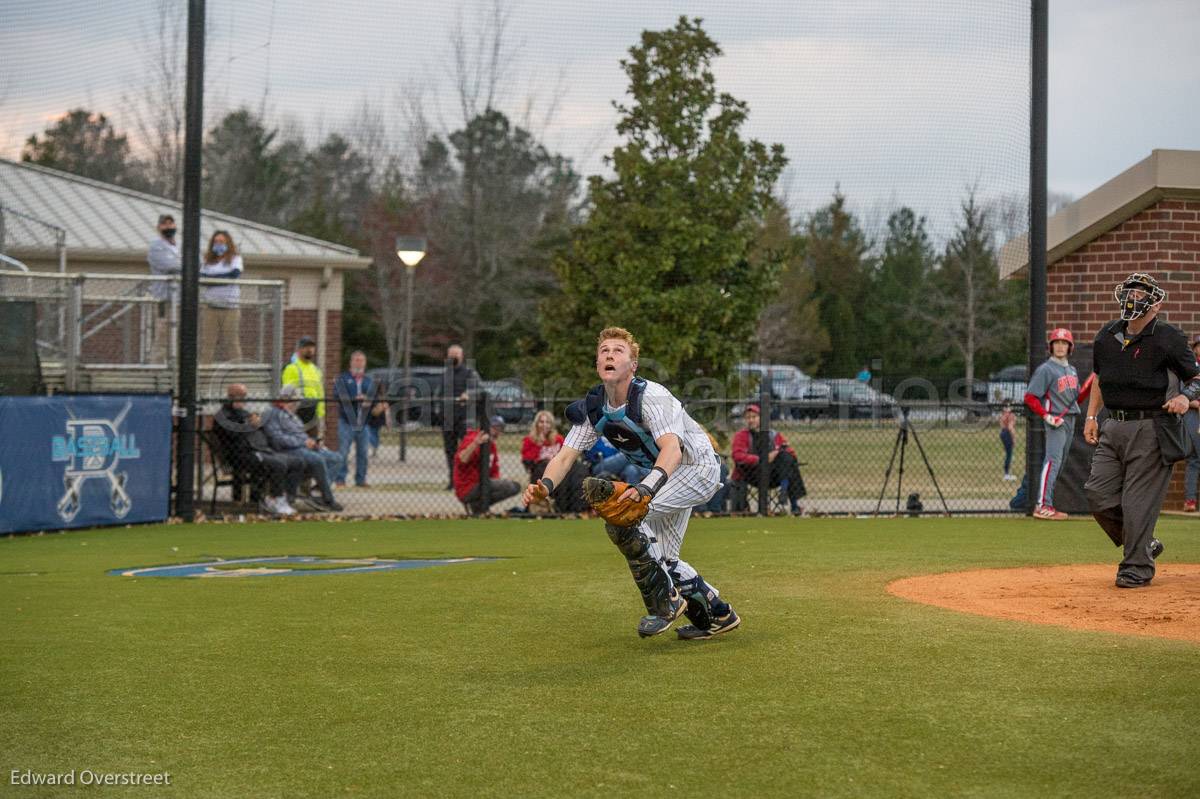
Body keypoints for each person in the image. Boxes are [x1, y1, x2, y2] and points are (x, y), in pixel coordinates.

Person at [522, 327, 740, 640]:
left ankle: (665, 604)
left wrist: (646, 489)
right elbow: (565, 456)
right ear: (597, 364)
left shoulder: (653, 397)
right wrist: (544, 485)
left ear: (633, 365)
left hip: (698, 468)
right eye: (604, 351)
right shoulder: (595, 408)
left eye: (618, 350)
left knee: (625, 521)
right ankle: (718, 614)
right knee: (664, 558)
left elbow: (672, 450)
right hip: (668, 477)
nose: (609, 354)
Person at [1083, 272, 1200, 588]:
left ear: (1157, 303)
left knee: (1137, 504)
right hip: (1113, 426)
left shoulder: (1168, 337)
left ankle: (1136, 568)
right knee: (1098, 494)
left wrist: (1184, 398)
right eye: (1131, 290)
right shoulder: (1106, 335)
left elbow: (1195, 379)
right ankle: (1144, 544)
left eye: (1142, 292)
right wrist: (1091, 417)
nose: (1134, 296)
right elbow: (1099, 378)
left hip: (1152, 429)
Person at [1023, 328, 1094, 519]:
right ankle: (1043, 505)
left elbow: (1076, 400)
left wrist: (1091, 383)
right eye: (1057, 343)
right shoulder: (1046, 369)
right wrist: (1046, 416)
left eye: (1064, 343)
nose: (1060, 346)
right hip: (1056, 420)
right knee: (1052, 461)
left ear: (1070, 347)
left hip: (1070, 418)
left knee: (1059, 464)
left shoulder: (1071, 370)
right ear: (1051, 347)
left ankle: (1048, 503)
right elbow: (1030, 397)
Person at [211, 384, 302, 515]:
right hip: (240, 455)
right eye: (241, 396)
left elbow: (256, 430)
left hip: (258, 450)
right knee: (278, 465)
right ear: (231, 397)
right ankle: (276, 500)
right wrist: (249, 424)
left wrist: (257, 422)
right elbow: (233, 436)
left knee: (296, 462)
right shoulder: (223, 415)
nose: (244, 399)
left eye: (244, 396)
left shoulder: (243, 413)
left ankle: (285, 498)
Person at [261, 384, 344, 512]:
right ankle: (328, 499)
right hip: (288, 450)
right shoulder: (272, 413)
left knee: (337, 458)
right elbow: (277, 439)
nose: (296, 404)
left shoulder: (292, 415)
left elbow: (301, 434)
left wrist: (312, 442)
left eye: (297, 401)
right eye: (294, 400)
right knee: (317, 460)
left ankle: (317, 492)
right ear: (285, 398)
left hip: (303, 447)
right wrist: (302, 442)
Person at [730, 403, 806, 514]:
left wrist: (778, 451)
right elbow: (737, 456)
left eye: (754, 417)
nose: (751, 420)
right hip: (752, 474)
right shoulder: (741, 435)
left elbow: (792, 453)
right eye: (748, 418)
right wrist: (762, 459)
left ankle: (784, 492)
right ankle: (794, 504)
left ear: (761, 418)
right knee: (789, 465)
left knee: (787, 458)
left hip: (774, 475)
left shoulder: (773, 434)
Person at [333, 351, 386, 487]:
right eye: (356, 360)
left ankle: (361, 480)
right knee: (343, 451)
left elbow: (375, 399)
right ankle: (340, 479)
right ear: (351, 362)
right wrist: (354, 399)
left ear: (365, 363)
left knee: (363, 452)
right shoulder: (343, 379)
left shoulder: (369, 381)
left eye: (361, 360)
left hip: (364, 423)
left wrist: (370, 401)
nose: (359, 363)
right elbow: (337, 395)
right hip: (346, 421)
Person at [520, 410, 589, 514]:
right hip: (540, 472)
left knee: (577, 468)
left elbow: (565, 457)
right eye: (541, 422)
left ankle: (577, 509)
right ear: (536, 424)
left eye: (547, 422)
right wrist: (540, 442)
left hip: (560, 472)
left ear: (551, 425)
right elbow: (528, 461)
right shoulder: (529, 440)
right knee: (546, 466)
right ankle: (561, 509)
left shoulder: (558, 439)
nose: (544, 425)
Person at [454, 415, 521, 515]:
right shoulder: (472, 438)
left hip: (483, 484)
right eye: (494, 428)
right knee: (509, 486)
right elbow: (462, 459)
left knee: (514, 487)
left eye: (500, 429)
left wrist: (498, 481)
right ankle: (477, 505)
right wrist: (475, 443)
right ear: (486, 427)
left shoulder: (492, 446)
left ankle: (478, 507)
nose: (497, 431)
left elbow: (494, 472)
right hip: (467, 487)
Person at [199, 229, 243, 363]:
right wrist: (219, 280)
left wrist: (212, 280)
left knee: (232, 343)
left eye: (222, 241)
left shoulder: (235, 258)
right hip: (211, 308)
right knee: (208, 344)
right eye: (216, 241)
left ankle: (237, 377)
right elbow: (201, 278)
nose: (218, 244)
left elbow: (233, 275)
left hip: (230, 308)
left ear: (228, 243)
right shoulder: (207, 260)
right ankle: (204, 377)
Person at [441, 344, 477, 490]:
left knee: (467, 450)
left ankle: (468, 479)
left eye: (456, 355)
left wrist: (469, 394)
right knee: (450, 451)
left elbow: (478, 388)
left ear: (462, 356)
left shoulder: (469, 373)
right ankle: (453, 480)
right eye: (451, 355)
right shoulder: (445, 374)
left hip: (464, 418)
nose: (454, 358)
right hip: (448, 419)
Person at [146, 213, 180, 362]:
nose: (168, 227)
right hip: (165, 299)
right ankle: (156, 371)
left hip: (181, 299)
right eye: (165, 224)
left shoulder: (180, 246)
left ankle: (177, 369)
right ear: (159, 227)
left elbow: (196, 262)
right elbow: (169, 266)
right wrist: (187, 265)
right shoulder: (156, 246)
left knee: (179, 338)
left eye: (171, 223)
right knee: (163, 336)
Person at [281, 335, 325, 433]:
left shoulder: (316, 370)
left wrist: (321, 415)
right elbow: (286, 394)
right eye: (306, 347)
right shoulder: (291, 368)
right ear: (299, 349)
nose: (310, 349)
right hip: (298, 410)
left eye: (312, 347)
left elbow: (321, 394)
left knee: (313, 443)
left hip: (313, 412)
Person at [1184, 335, 1200, 512]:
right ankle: (1190, 500)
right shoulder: (1190, 367)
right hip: (1193, 415)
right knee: (1195, 459)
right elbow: (1182, 394)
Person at [998, 402, 1017, 481]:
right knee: (1009, 454)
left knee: (1008, 453)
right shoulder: (1011, 416)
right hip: (1007, 434)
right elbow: (1010, 427)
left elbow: (1002, 425)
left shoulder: (1002, 415)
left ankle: (1007, 472)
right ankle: (1007, 474)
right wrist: (1014, 438)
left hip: (1002, 433)